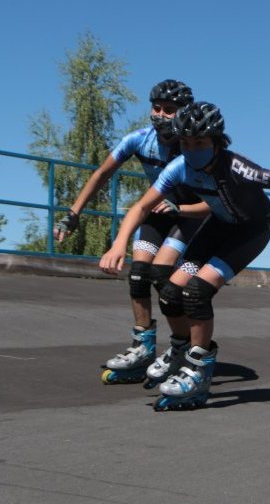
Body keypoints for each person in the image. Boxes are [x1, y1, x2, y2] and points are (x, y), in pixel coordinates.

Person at [99, 102, 270, 410]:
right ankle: (180, 348)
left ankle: (199, 367)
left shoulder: (239, 168)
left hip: (250, 232)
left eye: (199, 143)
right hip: (219, 225)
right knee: (170, 293)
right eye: (185, 143)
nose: (191, 150)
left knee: (197, 292)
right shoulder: (179, 167)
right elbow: (142, 206)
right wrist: (119, 244)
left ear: (216, 142)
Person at [56, 79, 207, 383]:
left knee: (162, 278)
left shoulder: (193, 144)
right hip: (158, 212)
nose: (160, 114)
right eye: (156, 107)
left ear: (182, 113)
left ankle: (183, 348)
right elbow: (102, 173)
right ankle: (143, 346)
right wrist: (73, 214)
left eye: (169, 109)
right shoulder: (138, 139)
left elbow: (216, 194)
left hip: (189, 215)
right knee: (138, 274)